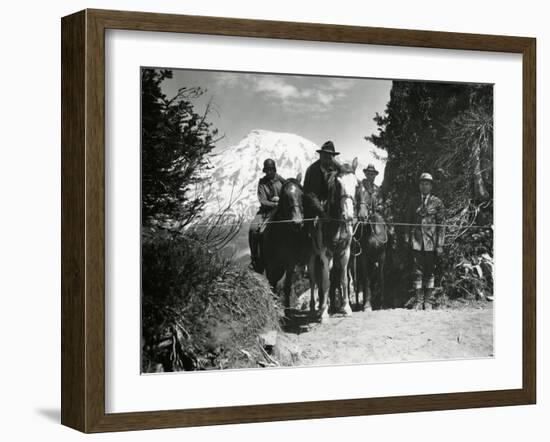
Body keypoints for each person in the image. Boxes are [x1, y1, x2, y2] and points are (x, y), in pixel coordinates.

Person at [405, 172, 445, 310]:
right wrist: (407, 238)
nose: (424, 186)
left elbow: (441, 225)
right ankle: (418, 300)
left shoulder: (437, 202)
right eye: (422, 183)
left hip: (431, 242)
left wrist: (440, 244)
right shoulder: (413, 201)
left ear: (431, 186)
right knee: (417, 270)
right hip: (416, 241)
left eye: (427, 183)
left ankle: (428, 301)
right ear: (419, 185)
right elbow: (408, 221)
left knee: (430, 270)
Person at [248, 158, 286, 272]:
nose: (269, 172)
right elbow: (262, 200)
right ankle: (255, 258)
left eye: (271, 169)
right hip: (265, 211)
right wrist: (274, 204)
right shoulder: (262, 183)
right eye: (267, 170)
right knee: (253, 229)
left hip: (281, 210)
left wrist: (281, 202)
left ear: (274, 169)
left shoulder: (281, 180)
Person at [303, 140, 341, 204]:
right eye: (325, 156)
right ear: (320, 155)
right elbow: (306, 192)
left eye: (330, 157)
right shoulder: (311, 170)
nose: (328, 160)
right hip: (313, 207)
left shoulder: (337, 171)